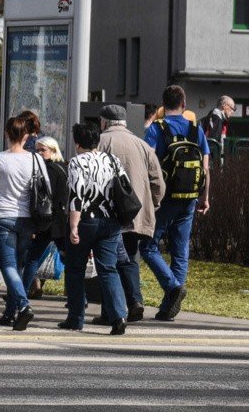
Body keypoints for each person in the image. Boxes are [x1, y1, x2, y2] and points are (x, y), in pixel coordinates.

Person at [142, 84, 209, 320]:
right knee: (180, 250)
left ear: (163, 105)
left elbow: (148, 163)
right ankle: (169, 305)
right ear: (184, 104)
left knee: (148, 246)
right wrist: (205, 197)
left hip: (164, 198)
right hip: (190, 197)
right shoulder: (195, 128)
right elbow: (205, 166)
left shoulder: (156, 129)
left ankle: (172, 288)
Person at [59, 122, 131, 335]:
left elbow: (76, 195)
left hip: (86, 221)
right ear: (97, 141)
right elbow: (125, 185)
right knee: (108, 268)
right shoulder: (112, 159)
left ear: (77, 143)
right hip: (110, 221)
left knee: (75, 269)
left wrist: (73, 226)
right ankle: (119, 315)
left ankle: (75, 317)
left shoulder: (76, 163)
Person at [98, 103, 166, 322]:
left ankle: (110, 311)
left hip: (107, 212)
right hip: (135, 212)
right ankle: (135, 300)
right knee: (128, 256)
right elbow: (158, 182)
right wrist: (151, 205)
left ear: (104, 122)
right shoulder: (142, 144)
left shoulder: (101, 141)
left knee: (107, 261)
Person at [0, 115, 40, 330]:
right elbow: (44, 189)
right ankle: (9, 313)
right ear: (26, 135)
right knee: (19, 265)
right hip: (27, 218)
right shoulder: (36, 159)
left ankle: (23, 306)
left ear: (6, 133)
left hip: (2, 216)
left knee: (8, 266)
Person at [24, 136, 69, 298]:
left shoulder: (47, 170)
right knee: (68, 259)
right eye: (37, 150)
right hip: (61, 221)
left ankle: (20, 293)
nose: (39, 153)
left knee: (32, 259)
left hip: (48, 221)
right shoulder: (64, 167)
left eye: (43, 150)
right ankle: (79, 297)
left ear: (53, 151)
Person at [202, 95, 235, 164]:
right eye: (232, 108)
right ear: (225, 106)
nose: (233, 112)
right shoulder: (216, 119)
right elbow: (212, 143)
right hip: (211, 162)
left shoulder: (214, 117)